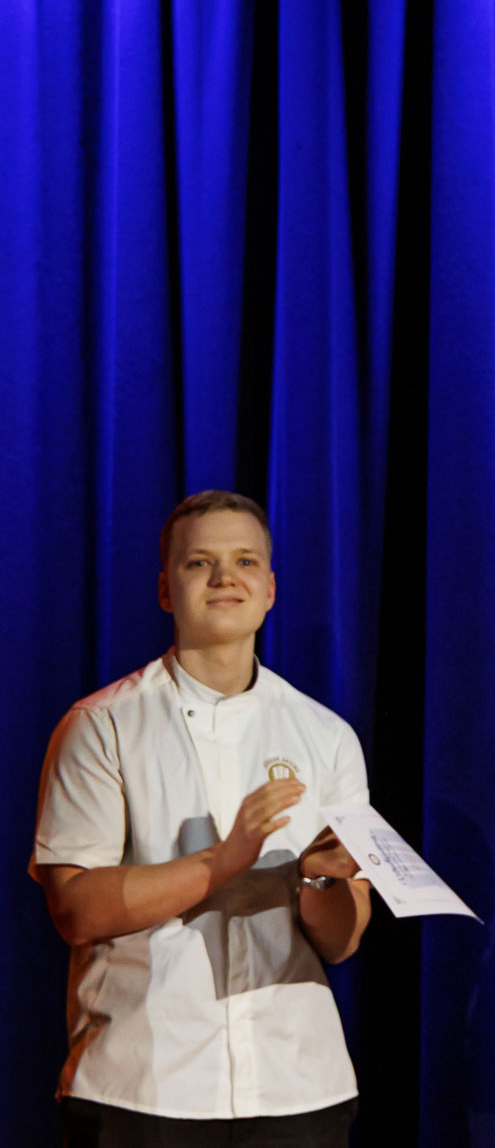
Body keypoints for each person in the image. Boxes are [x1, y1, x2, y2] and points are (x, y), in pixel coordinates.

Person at [30, 491, 373, 1147]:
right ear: (166, 589)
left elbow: (340, 941)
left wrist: (323, 879)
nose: (224, 577)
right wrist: (222, 859)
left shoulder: (328, 735)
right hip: (143, 1089)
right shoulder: (101, 725)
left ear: (270, 589)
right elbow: (75, 909)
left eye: (245, 561)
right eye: (199, 563)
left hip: (299, 1086)